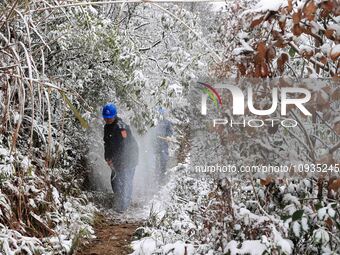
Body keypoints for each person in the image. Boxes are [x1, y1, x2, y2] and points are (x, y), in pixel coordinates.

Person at [102, 103, 139, 212]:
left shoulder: (121, 128)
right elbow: (107, 143)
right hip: (116, 159)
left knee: (125, 181)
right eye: (106, 118)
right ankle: (119, 201)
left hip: (129, 159)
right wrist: (108, 157)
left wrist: (117, 161)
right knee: (115, 181)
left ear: (114, 116)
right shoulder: (107, 127)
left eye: (110, 118)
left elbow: (125, 147)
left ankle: (123, 206)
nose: (107, 120)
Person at [155, 107, 173, 183]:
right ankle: (154, 176)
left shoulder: (167, 122)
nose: (161, 115)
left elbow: (170, 131)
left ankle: (162, 177)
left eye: (162, 113)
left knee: (163, 159)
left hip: (163, 144)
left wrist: (168, 136)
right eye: (159, 114)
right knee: (154, 161)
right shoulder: (154, 122)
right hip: (155, 144)